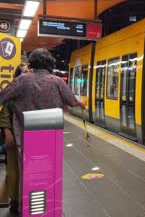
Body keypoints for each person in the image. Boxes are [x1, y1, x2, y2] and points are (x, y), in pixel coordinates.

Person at [0, 49, 85, 212]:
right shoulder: (57, 81)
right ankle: (48, 206)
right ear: (50, 63)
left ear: (32, 62)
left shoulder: (22, 80)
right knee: (48, 171)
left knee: (28, 171)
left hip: (25, 135)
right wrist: (80, 103)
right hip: (51, 134)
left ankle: (29, 207)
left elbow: (3, 97)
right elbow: (71, 101)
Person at [0, 62, 31, 211]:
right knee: (13, 169)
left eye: (29, 71)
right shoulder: (13, 90)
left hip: (31, 136)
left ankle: (28, 198)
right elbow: (5, 114)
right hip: (14, 137)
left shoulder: (33, 90)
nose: (28, 74)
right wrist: (8, 133)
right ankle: (15, 199)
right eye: (24, 72)